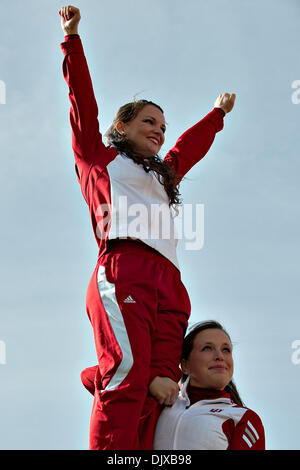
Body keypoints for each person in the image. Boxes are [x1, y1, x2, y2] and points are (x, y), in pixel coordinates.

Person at [58, 5, 236, 450]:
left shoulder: (163, 176)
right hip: (124, 270)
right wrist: (71, 39)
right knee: (127, 380)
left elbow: (186, 148)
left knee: (161, 387)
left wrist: (216, 115)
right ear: (122, 127)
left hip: (170, 284)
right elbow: (82, 99)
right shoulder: (99, 159)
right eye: (148, 122)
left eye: (161, 124)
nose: (158, 130)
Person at [153, 321, 265, 450]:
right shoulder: (161, 404)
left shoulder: (242, 418)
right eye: (207, 348)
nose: (220, 356)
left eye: (226, 350)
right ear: (185, 365)